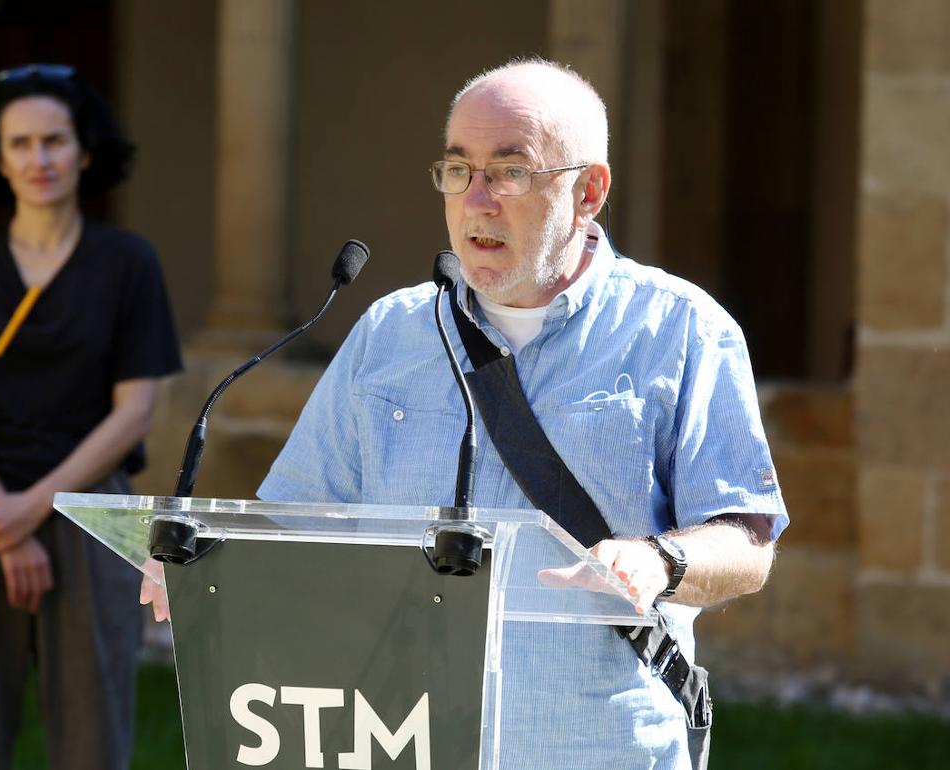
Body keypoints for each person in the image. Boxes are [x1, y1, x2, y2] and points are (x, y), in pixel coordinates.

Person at [255, 59, 788, 768]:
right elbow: (292, 518)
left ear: (589, 190)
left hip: (597, 748)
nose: (476, 200)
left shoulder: (683, 329)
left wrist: (659, 560)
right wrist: (200, 565)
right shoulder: (390, 333)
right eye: (457, 170)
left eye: (510, 172)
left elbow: (747, 542)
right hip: (404, 741)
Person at [0, 64, 182, 770]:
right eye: (21, 143)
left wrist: (34, 509)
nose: (40, 159)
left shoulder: (127, 263)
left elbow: (135, 411)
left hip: (91, 515)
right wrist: (4, 520)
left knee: (92, 743)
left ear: (85, 149)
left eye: (54, 140)